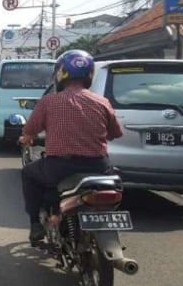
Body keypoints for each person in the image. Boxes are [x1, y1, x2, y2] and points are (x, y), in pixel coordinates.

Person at [18, 49, 123, 246]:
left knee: (29, 174)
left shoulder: (49, 101)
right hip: (98, 166)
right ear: (89, 75)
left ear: (60, 74)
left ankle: (35, 225)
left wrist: (26, 138)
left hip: (60, 167)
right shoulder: (102, 102)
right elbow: (116, 132)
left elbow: (30, 130)